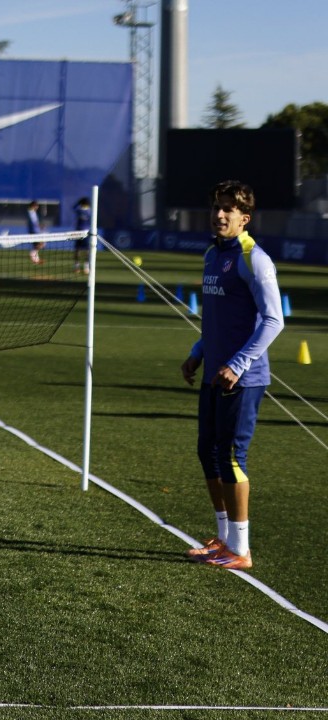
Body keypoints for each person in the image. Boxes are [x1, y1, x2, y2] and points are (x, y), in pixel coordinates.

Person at [180, 180, 283, 571]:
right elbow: (216, 320)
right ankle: (224, 539)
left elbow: (274, 320)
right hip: (213, 374)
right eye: (216, 207)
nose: (219, 214)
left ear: (245, 218)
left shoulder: (254, 258)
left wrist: (238, 364)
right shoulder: (212, 254)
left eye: (228, 209)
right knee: (207, 452)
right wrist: (197, 353)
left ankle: (241, 549)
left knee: (231, 457)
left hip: (244, 379)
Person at [72, 197, 92, 274]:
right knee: (87, 250)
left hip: (79, 232)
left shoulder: (79, 210)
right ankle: (86, 267)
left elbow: (73, 207)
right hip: (86, 232)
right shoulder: (89, 211)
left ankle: (76, 267)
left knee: (77, 250)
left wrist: (78, 202)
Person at [26, 200, 45, 265]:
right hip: (34, 231)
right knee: (41, 243)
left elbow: (35, 222)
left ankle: (36, 259)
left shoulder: (33, 212)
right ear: (34, 206)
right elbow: (33, 223)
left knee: (37, 245)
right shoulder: (30, 212)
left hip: (36, 231)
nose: (37, 207)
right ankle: (33, 255)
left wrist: (40, 226)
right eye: (37, 206)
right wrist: (39, 226)